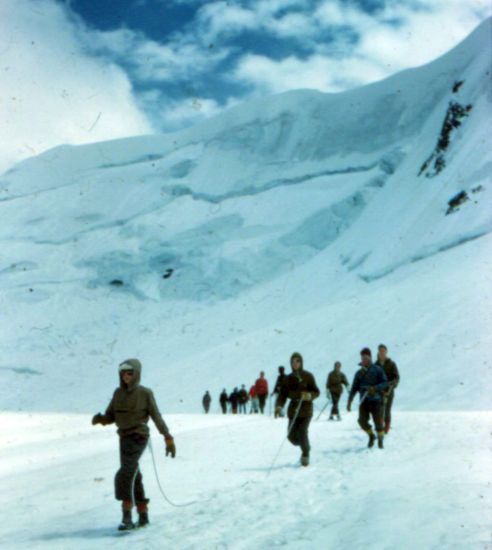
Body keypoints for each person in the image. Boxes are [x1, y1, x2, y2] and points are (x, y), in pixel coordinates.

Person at [92, 359, 176, 530]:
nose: (125, 376)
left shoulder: (145, 393)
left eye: (129, 373)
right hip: (123, 438)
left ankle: (127, 517)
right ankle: (143, 515)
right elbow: (111, 415)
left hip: (139, 436)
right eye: (122, 373)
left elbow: (156, 416)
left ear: (136, 374)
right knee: (133, 475)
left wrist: (167, 437)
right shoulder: (117, 393)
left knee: (125, 473)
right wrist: (102, 419)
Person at [276, 352, 320, 466]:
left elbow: (316, 391)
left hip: (306, 410)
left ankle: (305, 454)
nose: (295, 363)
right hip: (293, 410)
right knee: (291, 437)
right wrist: (279, 406)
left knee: (302, 431)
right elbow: (282, 395)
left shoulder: (308, 376)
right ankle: (306, 445)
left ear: (301, 362)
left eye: (297, 361)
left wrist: (309, 395)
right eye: (293, 361)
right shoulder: (288, 378)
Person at [347, 348, 388, 449]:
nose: (364, 359)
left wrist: (375, 388)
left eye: (366, 357)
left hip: (376, 400)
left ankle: (380, 439)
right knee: (362, 421)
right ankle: (371, 435)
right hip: (363, 401)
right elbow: (354, 388)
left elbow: (385, 383)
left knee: (378, 422)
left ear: (370, 358)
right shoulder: (358, 373)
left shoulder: (378, 369)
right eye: (362, 357)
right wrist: (350, 400)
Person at [375, 344, 400, 433]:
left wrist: (393, 384)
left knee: (387, 409)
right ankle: (380, 425)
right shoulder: (375, 365)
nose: (382, 352)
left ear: (386, 352)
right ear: (378, 352)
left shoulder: (392, 364)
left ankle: (387, 426)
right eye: (380, 351)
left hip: (389, 390)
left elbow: (396, 377)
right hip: (379, 391)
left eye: (383, 351)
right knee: (379, 409)